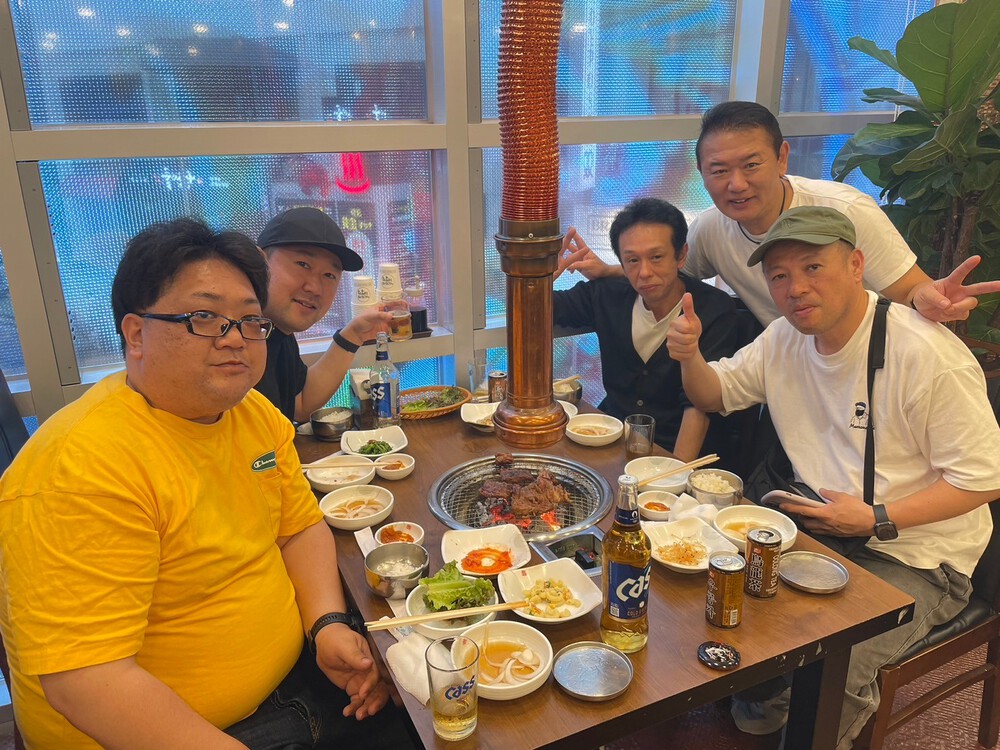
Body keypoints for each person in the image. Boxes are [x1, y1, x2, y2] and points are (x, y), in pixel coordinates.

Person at [0, 218, 411, 749]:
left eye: (249, 320)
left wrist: (327, 624)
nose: (235, 338)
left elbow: (299, 528)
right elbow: (87, 682)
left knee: (426, 708)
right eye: (204, 318)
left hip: (293, 684)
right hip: (184, 733)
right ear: (136, 334)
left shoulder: (253, 414)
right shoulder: (79, 467)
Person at [666, 205, 1000, 748]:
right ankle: (765, 709)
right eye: (779, 276)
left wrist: (875, 518)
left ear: (856, 265)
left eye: (813, 267)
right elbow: (713, 394)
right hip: (820, 529)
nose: (795, 288)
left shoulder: (927, 353)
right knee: (717, 595)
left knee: (831, 667)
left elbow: (984, 480)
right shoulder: (783, 338)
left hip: (916, 555)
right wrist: (689, 356)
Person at [562, 101, 1000, 328]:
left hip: (865, 364)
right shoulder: (712, 229)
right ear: (702, 173)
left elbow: (911, 291)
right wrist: (610, 269)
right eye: (719, 170)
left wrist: (930, 298)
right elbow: (668, 274)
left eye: (751, 165)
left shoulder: (844, 210)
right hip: (788, 369)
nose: (736, 184)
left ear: (782, 158)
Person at [555, 198, 737, 460]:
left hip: (676, 454)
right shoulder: (607, 294)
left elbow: (698, 407)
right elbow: (543, 310)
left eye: (656, 257)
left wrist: (675, 474)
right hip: (613, 441)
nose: (644, 272)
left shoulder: (713, 309)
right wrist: (539, 275)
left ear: (681, 255)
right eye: (632, 260)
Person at [255, 207, 390, 422]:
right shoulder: (232, 342)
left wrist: (354, 335)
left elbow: (300, 404)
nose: (315, 288)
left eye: (329, 275)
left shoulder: (279, 333)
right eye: (303, 264)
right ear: (259, 263)